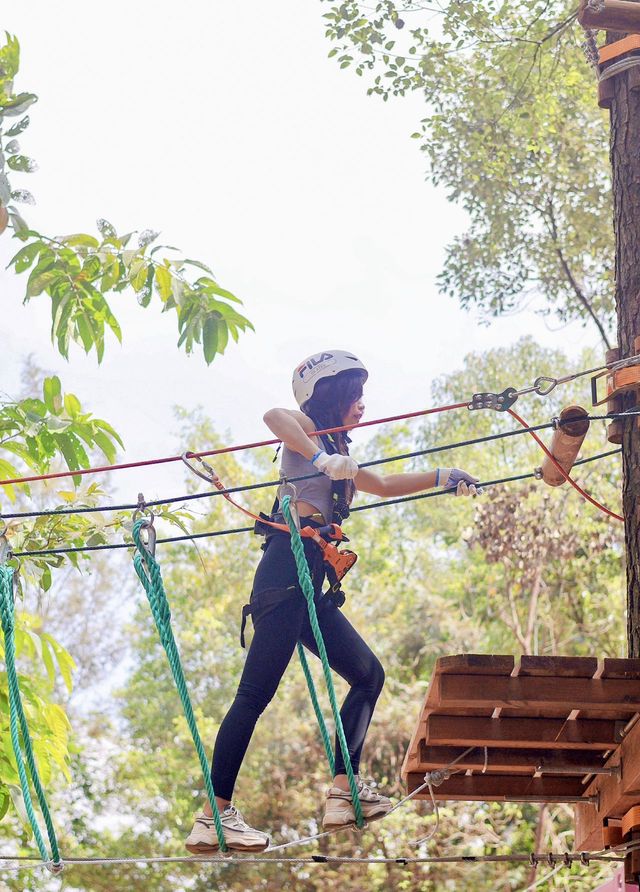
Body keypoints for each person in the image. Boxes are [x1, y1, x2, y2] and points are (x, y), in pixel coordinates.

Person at [185, 350, 480, 854]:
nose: (363, 404)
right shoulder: (305, 434)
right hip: (284, 576)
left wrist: (442, 476)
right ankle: (213, 815)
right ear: (331, 396)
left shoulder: (342, 456)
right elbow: (274, 418)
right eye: (355, 395)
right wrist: (319, 457)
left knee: (369, 675)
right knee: (253, 696)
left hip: (310, 589)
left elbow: (383, 484)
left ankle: (344, 794)